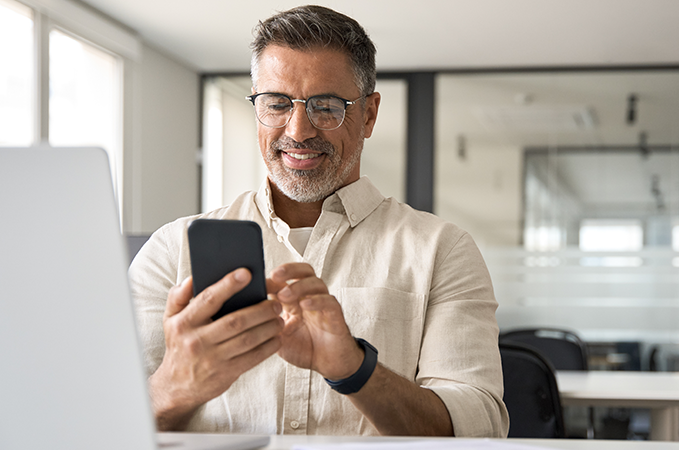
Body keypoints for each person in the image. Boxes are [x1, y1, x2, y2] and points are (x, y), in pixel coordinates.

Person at [129, 5, 509, 437]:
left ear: (368, 115)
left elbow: (479, 429)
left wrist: (353, 368)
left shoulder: (442, 250)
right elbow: (99, 426)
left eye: (325, 106)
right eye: (276, 104)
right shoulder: (170, 250)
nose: (298, 130)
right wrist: (179, 383)